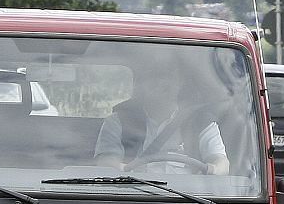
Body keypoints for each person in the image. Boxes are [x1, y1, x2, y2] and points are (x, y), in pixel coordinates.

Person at [94, 72, 230, 175]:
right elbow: (106, 161)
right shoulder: (118, 121)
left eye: (169, 77)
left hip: (189, 203)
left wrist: (212, 169)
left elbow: (221, 162)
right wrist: (121, 169)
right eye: (154, 78)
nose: (163, 84)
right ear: (141, 84)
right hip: (134, 198)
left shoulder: (201, 122)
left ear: (180, 83)